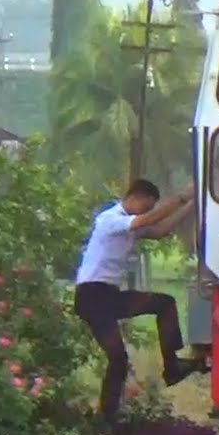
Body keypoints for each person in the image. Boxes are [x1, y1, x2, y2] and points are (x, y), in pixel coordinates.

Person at [73, 179, 202, 421]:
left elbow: (160, 231)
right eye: (146, 206)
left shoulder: (131, 223)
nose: (147, 212)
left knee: (164, 303)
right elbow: (148, 221)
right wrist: (182, 197)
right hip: (91, 296)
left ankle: (172, 368)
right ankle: (107, 417)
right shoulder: (110, 220)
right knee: (118, 358)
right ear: (134, 198)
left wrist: (194, 204)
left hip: (109, 295)